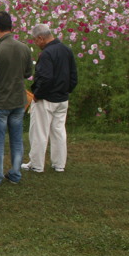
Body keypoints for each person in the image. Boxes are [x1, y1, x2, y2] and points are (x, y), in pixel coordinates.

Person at [0, 11, 34, 187]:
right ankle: (15, 174)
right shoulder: (24, 48)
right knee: (17, 140)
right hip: (18, 101)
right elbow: (28, 73)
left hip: (0, 103)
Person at [22, 24, 79, 174]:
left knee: (39, 132)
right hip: (62, 98)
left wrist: (37, 95)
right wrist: (67, 91)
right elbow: (73, 76)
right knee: (59, 131)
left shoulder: (47, 53)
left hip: (46, 99)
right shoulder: (67, 50)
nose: (36, 43)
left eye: (35, 40)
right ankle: (59, 164)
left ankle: (37, 164)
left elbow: (45, 78)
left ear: (41, 38)